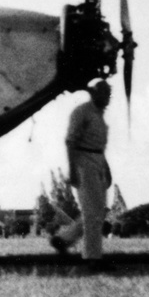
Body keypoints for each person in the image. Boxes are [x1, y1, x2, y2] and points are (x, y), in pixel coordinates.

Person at [50, 81, 113, 265]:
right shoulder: (82, 112)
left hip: (97, 162)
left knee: (97, 212)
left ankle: (63, 240)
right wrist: (73, 170)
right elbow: (70, 142)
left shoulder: (99, 115)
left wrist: (106, 169)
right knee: (93, 213)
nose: (107, 98)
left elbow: (99, 146)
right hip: (84, 163)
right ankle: (93, 258)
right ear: (95, 93)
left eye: (109, 94)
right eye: (104, 94)